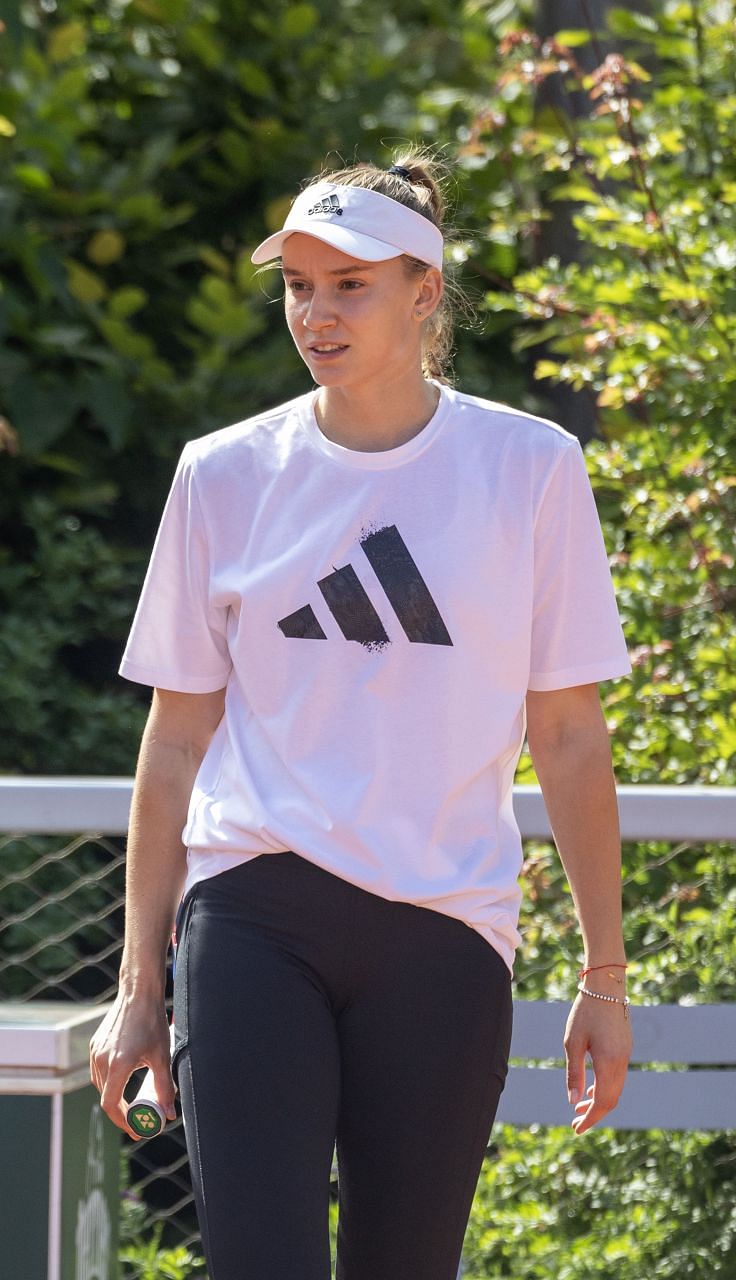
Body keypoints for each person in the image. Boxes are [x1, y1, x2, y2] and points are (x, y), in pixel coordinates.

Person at [87, 155, 634, 1279]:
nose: (316, 313)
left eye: (350, 286)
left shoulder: (531, 468)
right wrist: (139, 984)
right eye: (298, 285)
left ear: (424, 291)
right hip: (254, 906)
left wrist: (604, 975)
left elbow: (570, 736)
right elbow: (176, 738)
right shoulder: (222, 473)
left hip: (444, 922)